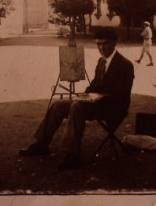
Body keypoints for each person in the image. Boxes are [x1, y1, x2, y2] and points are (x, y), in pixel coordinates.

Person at [19, 28, 135, 171]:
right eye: (98, 44)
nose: (101, 48)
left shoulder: (125, 65)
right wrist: (85, 95)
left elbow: (122, 95)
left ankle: (72, 155)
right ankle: (42, 144)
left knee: (77, 107)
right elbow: (94, 85)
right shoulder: (101, 62)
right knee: (58, 105)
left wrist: (96, 99)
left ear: (114, 43)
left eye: (105, 44)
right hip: (96, 103)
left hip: (113, 107)